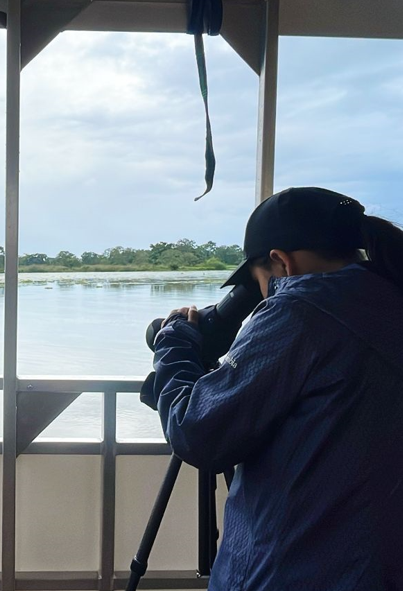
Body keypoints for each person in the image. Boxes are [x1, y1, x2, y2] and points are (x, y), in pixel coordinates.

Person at [150, 187, 403, 590]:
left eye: (258, 285)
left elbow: (196, 433)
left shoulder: (301, 311)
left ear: (281, 262)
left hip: (295, 568)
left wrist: (174, 344)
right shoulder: (387, 298)